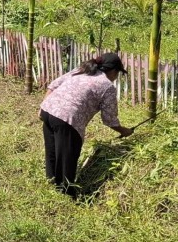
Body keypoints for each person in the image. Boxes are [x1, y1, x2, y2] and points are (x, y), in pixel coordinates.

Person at [40, 53, 134, 198]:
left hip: (48, 109)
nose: (116, 77)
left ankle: (51, 184)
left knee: (52, 150)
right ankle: (66, 194)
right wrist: (124, 130)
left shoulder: (81, 70)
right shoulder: (107, 86)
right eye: (118, 73)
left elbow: (54, 85)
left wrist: (42, 106)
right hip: (67, 118)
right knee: (67, 157)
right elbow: (109, 119)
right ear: (113, 70)